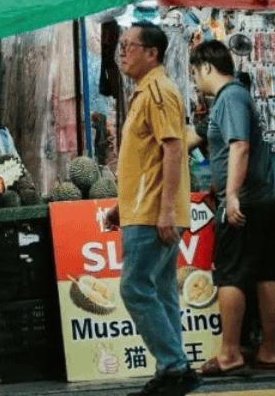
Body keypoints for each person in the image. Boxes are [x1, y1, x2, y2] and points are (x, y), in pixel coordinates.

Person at [103, 23, 197, 396]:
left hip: (152, 214)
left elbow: (173, 150)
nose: (122, 52)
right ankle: (174, 369)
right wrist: (119, 207)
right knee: (160, 290)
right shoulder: (146, 92)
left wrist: (167, 211)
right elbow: (146, 163)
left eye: (129, 46)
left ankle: (174, 367)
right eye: (121, 46)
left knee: (135, 288)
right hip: (142, 210)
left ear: (152, 53)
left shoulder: (158, 91)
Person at [188, 39, 275, 375]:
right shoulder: (237, 96)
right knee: (266, 273)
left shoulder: (230, 97)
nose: (195, 80)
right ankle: (269, 350)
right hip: (262, 199)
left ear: (207, 67)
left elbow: (239, 146)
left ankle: (230, 355)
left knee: (230, 275)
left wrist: (232, 194)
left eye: (195, 72)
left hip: (245, 202)